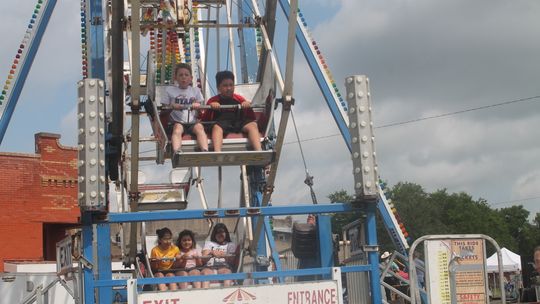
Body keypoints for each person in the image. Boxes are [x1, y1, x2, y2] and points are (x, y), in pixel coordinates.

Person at [201, 70, 261, 152]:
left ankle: (259, 150)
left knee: (253, 125)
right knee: (216, 128)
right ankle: (217, 152)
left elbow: (251, 117)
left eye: (231, 85)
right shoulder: (213, 100)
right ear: (219, 88)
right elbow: (205, 119)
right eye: (225, 86)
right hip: (221, 123)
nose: (229, 88)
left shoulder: (239, 99)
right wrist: (211, 107)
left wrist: (247, 106)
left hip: (237, 122)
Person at [161, 63, 208, 157]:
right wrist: (171, 106)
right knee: (177, 129)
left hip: (192, 122)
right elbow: (163, 109)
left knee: (199, 128)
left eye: (186, 75)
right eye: (181, 75)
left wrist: (197, 106)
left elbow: (202, 111)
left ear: (191, 78)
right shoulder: (170, 90)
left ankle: (205, 150)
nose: (183, 77)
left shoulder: (196, 91)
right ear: (176, 78)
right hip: (177, 122)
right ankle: (177, 151)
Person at [201, 223, 238, 287]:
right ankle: (204, 294)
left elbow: (232, 261)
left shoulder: (230, 245)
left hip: (224, 267)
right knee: (205, 273)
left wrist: (223, 255)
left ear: (226, 233)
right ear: (214, 234)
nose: (220, 234)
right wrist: (211, 252)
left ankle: (226, 293)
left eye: (222, 232)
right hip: (209, 267)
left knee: (227, 273)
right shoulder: (209, 243)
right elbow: (203, 259)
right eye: (218, 232)